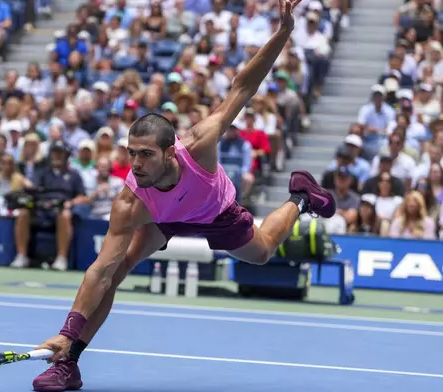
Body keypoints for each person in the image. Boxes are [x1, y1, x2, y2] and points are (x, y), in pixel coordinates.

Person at [32, 1, 334, 391]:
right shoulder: (131, 198)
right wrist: (67, 331)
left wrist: (282, 35)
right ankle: (68, 363)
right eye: (131, 154)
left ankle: (300, 198)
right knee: (117, 270)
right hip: (162, 215)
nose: (136, 164)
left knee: (262, 253)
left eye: (146, 155)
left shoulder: (201, 143)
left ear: (170, 152)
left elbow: (243, 86)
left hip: (215, 210)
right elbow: (99, 270)